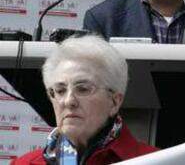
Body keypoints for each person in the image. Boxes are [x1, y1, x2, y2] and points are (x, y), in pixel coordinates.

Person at [12, 35, 158, 164]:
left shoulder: (158, 161)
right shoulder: (22, 163)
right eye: (60, 90)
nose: (68, 101)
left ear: (115, 102)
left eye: (83, 89)